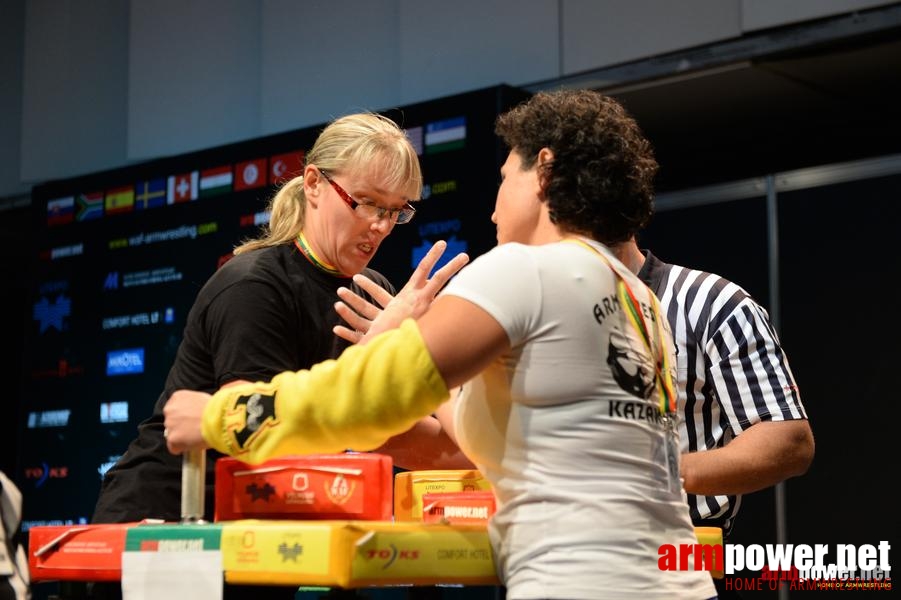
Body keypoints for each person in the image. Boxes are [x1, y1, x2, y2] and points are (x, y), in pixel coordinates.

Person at [164, 90, 718, 599]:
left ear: (543, 174)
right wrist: (403, 345)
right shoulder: (638, 298)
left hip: (583, 584)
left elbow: (369, 396)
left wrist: (220, 415)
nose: (494, 207)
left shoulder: (525, 270)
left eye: (504, 179)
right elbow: (494, 436)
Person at [90, 111, 467, 598]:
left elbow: (411, 443)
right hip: (172, 532)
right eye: (366, 203)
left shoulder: (373, 294)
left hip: (266, 539)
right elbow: (250, 431)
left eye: (396, 211)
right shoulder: (254, 285)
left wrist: (427, 352)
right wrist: (379, 351)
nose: (380, 225)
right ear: (313, 183)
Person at [613, 237, 814, 598]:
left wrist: (653, 472)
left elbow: (789, 441)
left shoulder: (709, 301)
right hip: (557, 561)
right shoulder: (541, 315)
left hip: (675, 561)